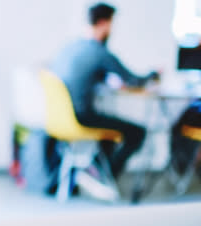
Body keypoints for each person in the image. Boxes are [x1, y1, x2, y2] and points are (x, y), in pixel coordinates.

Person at [50, 2, 160, 180]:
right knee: (137, 132)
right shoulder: (100, 52)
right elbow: (133, 81)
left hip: (59, 118)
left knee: (108, 125)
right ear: (104, 23)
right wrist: (154, 75)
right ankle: (106, 177)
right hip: (82, 117)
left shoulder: (70, 47)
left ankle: (98, 169)